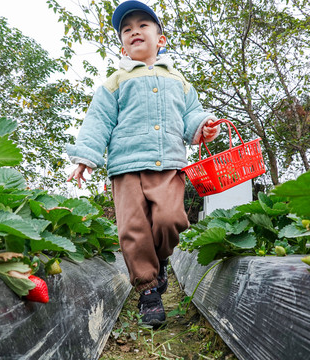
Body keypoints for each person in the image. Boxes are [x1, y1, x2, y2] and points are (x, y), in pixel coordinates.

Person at [66, 0, 219, 327]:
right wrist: (86, 157)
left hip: (168, 165)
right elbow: (98, 121)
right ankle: (149, 291)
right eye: (126, 28)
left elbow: (191, 114)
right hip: (126, 167)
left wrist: (203, 125)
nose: (134, 30)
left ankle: (160, 261)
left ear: (160, 39)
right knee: (133, 229)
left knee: (170, 220)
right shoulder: (116, 81)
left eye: (142, 25)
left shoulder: (179, 80)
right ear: (122, 42)